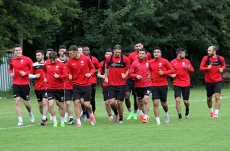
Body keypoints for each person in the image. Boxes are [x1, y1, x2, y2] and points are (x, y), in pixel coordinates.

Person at [67, 45, 96, 127]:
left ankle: (91, 114)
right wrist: (69, 75)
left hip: (87, 84)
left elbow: (93, 68)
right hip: (76, 84)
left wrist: (90, 74)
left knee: (86, 104)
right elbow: (69, 71)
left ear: (76, 52)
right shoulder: (70, 61)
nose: (70, 55)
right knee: (76, 102)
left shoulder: (86, 59)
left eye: (71, 53)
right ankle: (78, 121)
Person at [8, 44, 35, 126]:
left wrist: (25, 73)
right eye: (16, 50)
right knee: (17, 101)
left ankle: (30, 112)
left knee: (26, 103)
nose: (18, 51)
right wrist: (11, 73)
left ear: (21, 50)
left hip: (25, 84)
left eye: (19, 50)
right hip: (16, 83)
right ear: (14, 52)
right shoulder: (12, 60)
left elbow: (32, 69)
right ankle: (20, 120)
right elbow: (10, 68)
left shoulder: (27, 59)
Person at [105, 44, 130, 123]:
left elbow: (128, 69)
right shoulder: (109, 58)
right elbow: (106, 68)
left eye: (118, 52)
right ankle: (116, 113)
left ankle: (121, 118)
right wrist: (106, 77)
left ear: (121, 51)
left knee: (119, 102)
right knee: (111, 102)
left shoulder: (125, 59)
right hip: (112, 84)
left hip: (121, 84)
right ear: (113, 51)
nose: (117, 54)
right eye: (116, 52)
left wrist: (125, 75)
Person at [126, 40, 152, 120]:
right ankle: (143, 114)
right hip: (138, 85)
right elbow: (130, 73)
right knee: (140, 101)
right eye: (139, 53)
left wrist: (151, 76)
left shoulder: (149, 62)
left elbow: (153, 71)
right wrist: (136, 75)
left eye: (142, 53)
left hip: (148, 84)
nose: (140, 55)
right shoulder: (134, 62)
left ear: (146, 55)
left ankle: (146, 116)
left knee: (146, 100)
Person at [149, 47, 174, 125]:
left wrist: (164, 72)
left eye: (158, 52)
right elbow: (149, 71)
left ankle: (166, 113)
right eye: (155, 52)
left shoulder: (164, 61)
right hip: (154, 85)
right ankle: (158, 121)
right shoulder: (150, 62)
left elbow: (172, 70)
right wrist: (149, 76)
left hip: (163, 85)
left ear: (160, 54)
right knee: (155, 103)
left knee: (163, 103)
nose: (156, 53)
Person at [199, 46, 226, 118]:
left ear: (214, 51)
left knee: (217, 96)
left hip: (218, 80)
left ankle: (216, 113)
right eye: (208, 50)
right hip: (208, 81)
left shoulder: (221, 58)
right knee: (209, 98)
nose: (208, 52)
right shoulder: (206, 58)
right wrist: (207, 68)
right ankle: (211, 111)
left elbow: (224, 65)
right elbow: (201, 68)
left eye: (209, 51)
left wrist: (222, 69)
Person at [43, 51, 67, 127]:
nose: (52, 61)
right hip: (49, 87)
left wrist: (59, 76)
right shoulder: (46, 63)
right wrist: (45, 78)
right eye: (51, 60)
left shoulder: (61, 65)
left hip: (59, 88)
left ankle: (62, 120)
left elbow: (65, 76)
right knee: (50, 104)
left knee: (61, 106)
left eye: (54, 60)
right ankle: (55, 120)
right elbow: (44, 71)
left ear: (56, 58)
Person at [169, 48, 194, 119]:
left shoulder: (187, 61)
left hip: (186, 83)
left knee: (186, 101)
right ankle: (179, 115)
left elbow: (192, 70)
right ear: (179, 54)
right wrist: (171, 75)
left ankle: (187, 109)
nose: (184, 55)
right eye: (183, 53)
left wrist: (188, 68)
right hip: (176, 83)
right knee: (177, 99)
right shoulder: (172, 62)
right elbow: (168, 71)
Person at [97, 49, 115, 121]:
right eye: (107, 54)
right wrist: (103, 76)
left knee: (115, 102)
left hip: (115, 84)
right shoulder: (102, 63)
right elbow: (98, 74)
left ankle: (117, 113)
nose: (108, 55)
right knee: (107, 102)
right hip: (106, 84)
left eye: (110, 54)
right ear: (105, 55)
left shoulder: (115, 63)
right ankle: (110, 116)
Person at [29, 50, 47, 121]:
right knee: (40, 104)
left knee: (45, 103)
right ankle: (44, 116)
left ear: (43, 56)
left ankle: (44, 118)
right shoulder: (34, 65)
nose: (37, 57)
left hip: (46, 86)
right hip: (37, 87)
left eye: (39, 55)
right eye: (36, 55)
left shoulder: (47, 64)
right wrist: (35, 76)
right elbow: (29, 75)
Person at [82, 46, 99, 115]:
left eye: (87, 50)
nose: (86, 51)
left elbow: (98, 69)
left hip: (92, 81)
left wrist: (91, 72)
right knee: (82, 99)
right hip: (82, 82)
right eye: (84, 50)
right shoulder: (80, 59)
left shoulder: (94, 59)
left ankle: (93, 112)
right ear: (82, 51)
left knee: (91, 98)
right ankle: (84, 113)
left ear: (89, 51)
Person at [63, 51, 74, 124]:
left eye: (63, 57)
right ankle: (71, 118)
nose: (62, 58)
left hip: (75, 86)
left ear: (67, 57)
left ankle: (81, 116)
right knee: (67, 103)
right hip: (67, 87)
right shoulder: (63, 65)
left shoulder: (73, 64)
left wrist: (72, 76)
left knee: (78, 103)